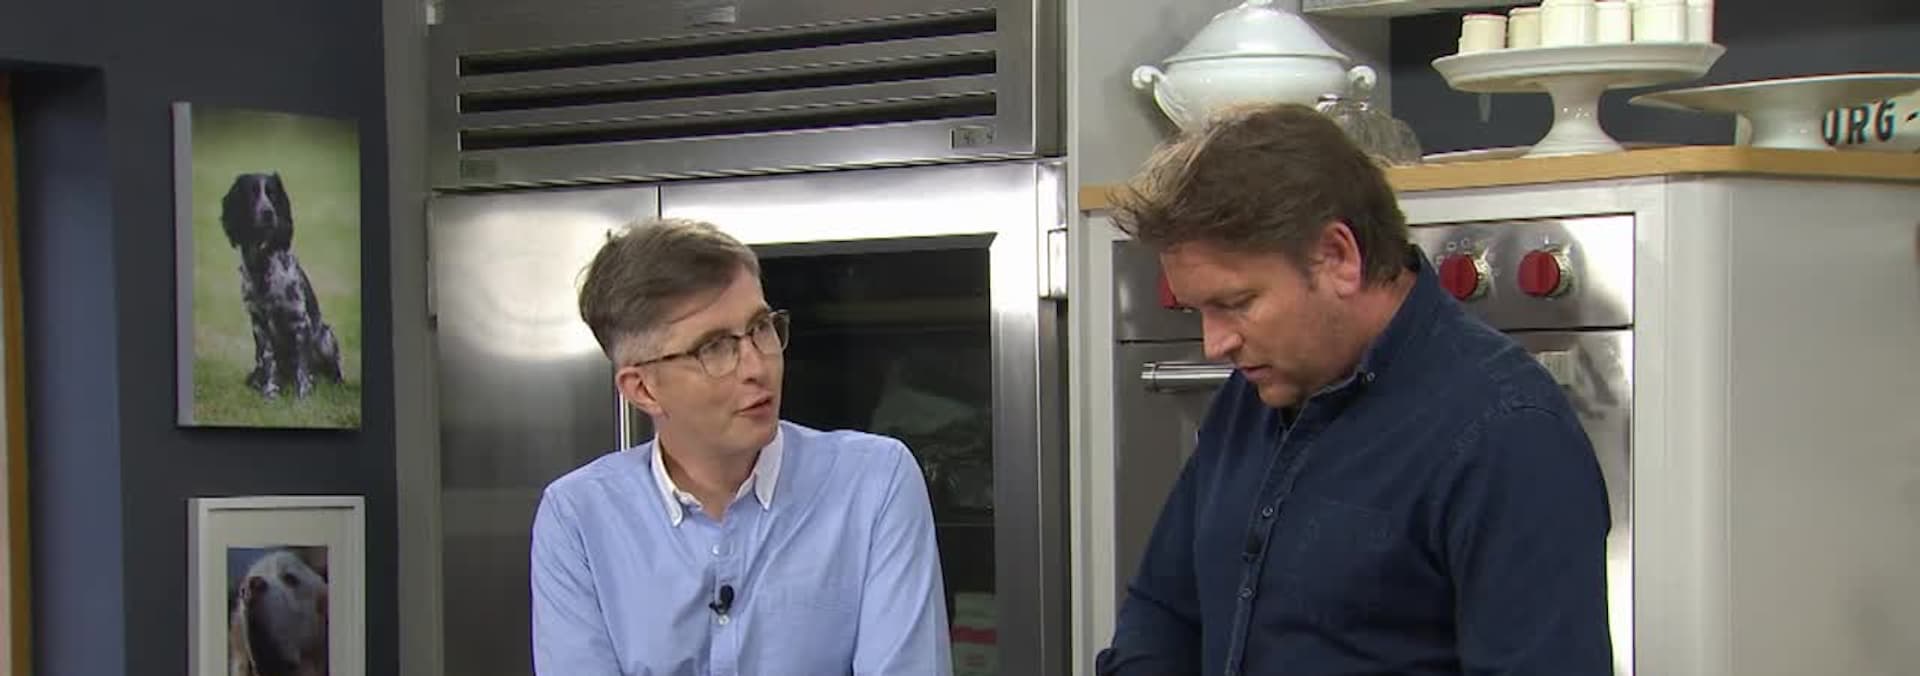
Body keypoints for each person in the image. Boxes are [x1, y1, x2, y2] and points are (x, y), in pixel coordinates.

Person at [1094, 104, 1613, 676]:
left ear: (1338, 257)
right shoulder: (1257, 392)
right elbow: (1164, 612)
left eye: (1236, 303)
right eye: (1198, 310)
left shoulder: (1509, 435)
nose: (1215, 344)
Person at [531, 218, 953, 676]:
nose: (757, 366)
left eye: (760, 328)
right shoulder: (577, 517)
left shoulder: (874, 483)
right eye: (714, 347)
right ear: (643, 390)